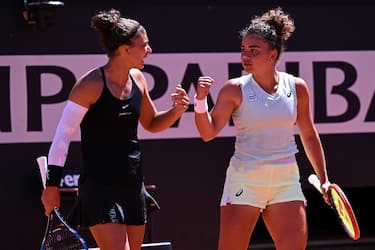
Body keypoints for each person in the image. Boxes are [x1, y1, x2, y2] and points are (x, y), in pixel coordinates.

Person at [41, 8, 189, 250]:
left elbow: (151, 124)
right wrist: (52, 187)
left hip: (133, 184)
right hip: (100, 188)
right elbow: (62, 139)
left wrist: (176, 111)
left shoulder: (138, 80)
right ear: (125, 49)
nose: (149, 51)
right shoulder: (89, 85)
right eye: (145, 45)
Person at [194, 7, 332, 250]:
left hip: (286, 181)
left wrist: (324, 179)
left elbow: (308, 133)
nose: (246, 56)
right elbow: (208, 133)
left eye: (254, 50)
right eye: (244, 50)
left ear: (273, 54)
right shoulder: (234, 89)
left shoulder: (297, 87)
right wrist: (200, 101)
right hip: (245, 181)